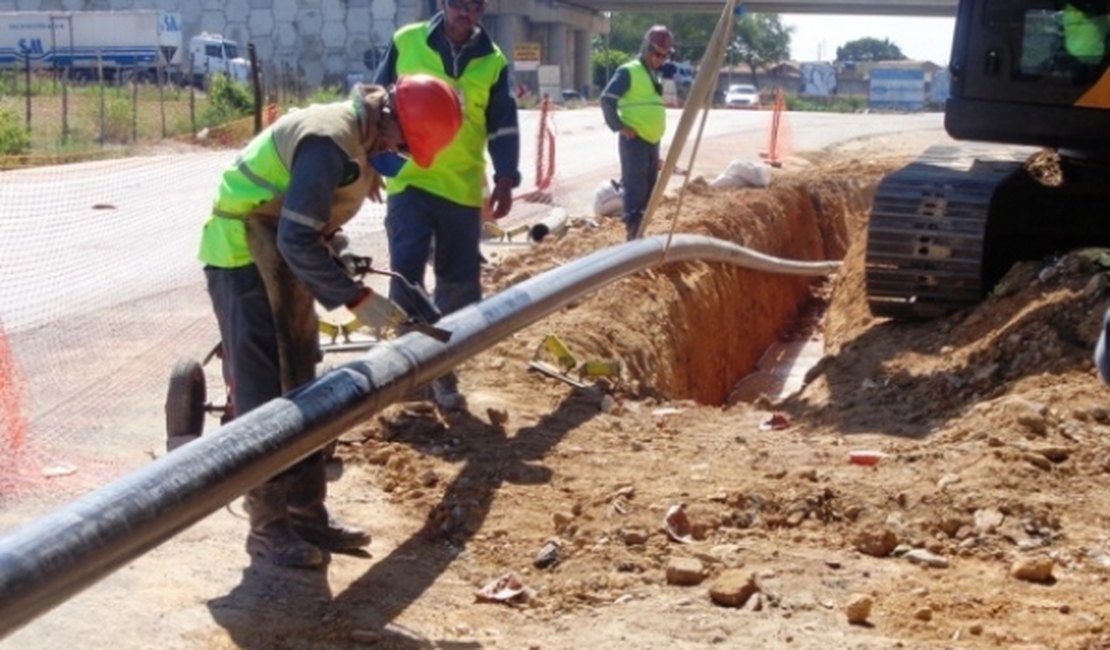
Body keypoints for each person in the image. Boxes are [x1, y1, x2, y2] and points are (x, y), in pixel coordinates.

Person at [196, 75, 463, 569]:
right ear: (390, 118)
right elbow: (296, 239)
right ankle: (268, 527)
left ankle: (306, 512)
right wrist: (357, 299)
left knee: (302, 387)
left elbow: (304, 230)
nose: (399, 153)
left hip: (278, 252)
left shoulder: (357, 139)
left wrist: (337, 252)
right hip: (241, 255)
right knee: (264, 394)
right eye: (402, 145)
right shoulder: (328, 141)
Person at [374, 0, 522, 413]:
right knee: (406, 274)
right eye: (460, 4)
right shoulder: (407, 42)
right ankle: (404, 374)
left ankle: (443, 368)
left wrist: (507, 177)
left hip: (460, 187)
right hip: (410, 180)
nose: (467, 14)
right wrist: (370, 161)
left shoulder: (492, 62)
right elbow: (375, 103)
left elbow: (503, 123)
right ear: (443, 3)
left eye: (476, 7)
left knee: (459, 285)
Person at [600, 25, 673, 241]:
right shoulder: (628, 71)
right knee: (635, 186)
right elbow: (607, 99)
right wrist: (620, 126)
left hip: (651, 141)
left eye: (664, 55)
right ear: (646, 48)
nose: (660, 59)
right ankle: (633, 234)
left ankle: (641, 232)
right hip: (635, 140)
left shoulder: (651, 75)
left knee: (650, 186)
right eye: (657, 53)